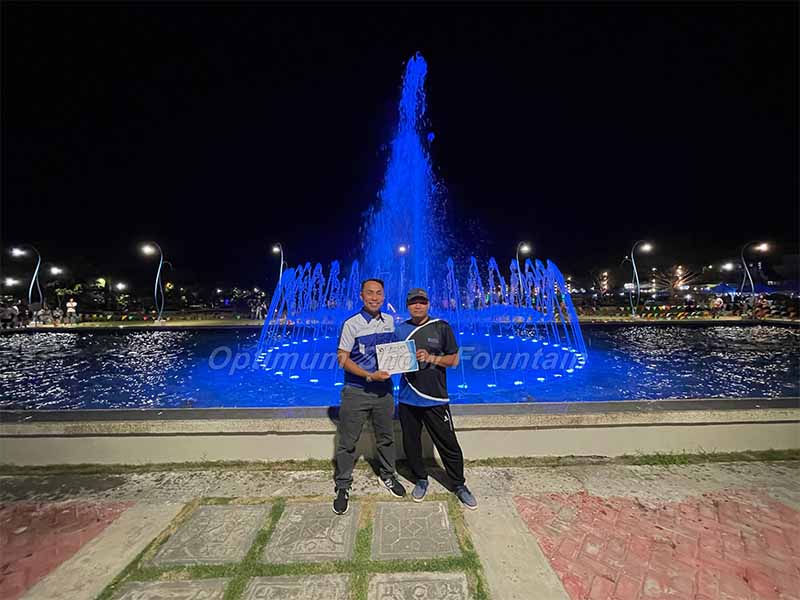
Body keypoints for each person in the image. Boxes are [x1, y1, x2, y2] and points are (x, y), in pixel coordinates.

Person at [395, 287, 477, 510]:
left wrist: (430, 357)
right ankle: (420, 479)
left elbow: (454, 360)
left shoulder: (441, 326)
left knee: (449, 444)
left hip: (435, 398)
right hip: (407, 398)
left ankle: (459, 485)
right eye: (413, 302)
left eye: (422, 302)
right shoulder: (400, 329)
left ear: (428, 304)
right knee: (410, 444)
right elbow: (393, 360)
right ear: (408, 306)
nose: (418, 305)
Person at [333, 278, 406, 515]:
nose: (374, 298)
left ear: (384, 297)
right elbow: (342, 358)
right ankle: (343, 485)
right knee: (347, 442)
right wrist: (367, 375)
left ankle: (388, 475)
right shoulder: (351, 324)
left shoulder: (389, 321)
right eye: (370, 293)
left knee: (386, 437)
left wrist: (409, 359)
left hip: (383, 391)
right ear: (362, 296)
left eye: (379, 294)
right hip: (357, 391)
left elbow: (395, 351)